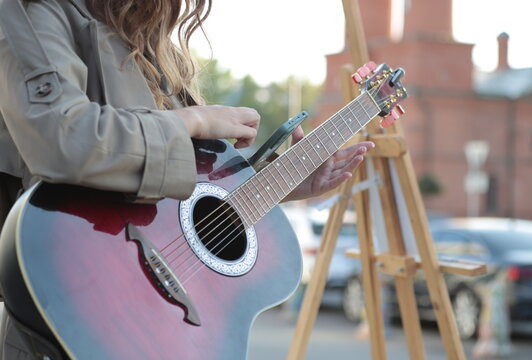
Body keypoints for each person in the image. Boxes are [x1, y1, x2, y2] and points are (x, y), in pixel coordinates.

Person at [0, 0, 386, 358]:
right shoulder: (36, 10)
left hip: (164, 330)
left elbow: (178, 196)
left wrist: (285, 182)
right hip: (68, 313)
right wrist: (193, 120)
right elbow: (63, 139)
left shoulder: (149, 42)